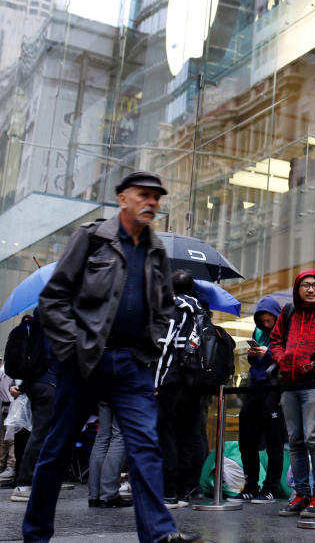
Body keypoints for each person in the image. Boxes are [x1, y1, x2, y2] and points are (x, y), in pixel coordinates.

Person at [26, 171, 200, 543]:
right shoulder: (91, 239)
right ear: (123, 199)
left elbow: (161, 306)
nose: (151, 202)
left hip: (132, 365)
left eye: (156, 196)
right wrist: (72, 348)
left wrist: (150, 346)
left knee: (145, 447)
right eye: (143, 195)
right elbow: (54, 299)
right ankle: (36, 534)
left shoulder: (154, 250)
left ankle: (158, 534)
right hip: (85, 361)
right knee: (56, 449)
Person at [269, 269, 315, 517]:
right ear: (297, 288)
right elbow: (275, 340)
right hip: (290, 385)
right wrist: (283, 360)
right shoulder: (289, 312)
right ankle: (301, 494)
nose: (310, 289)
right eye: (305, 284)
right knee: (295, 440)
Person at [155, 270, 207, 508]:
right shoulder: (201, 311)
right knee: (188, 437)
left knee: (167, 436)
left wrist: (156, 382)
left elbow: (166, 347)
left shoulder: (174, 308)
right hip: (194, 384)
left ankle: (168, 492)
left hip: (173, 381)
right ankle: (185, 490)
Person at [232, 295, 285, 505]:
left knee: (274, 441)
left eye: (268, 320)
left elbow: (285, 356)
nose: (265, 324)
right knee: (246, 439)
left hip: (274, 389)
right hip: (255, 388)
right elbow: (254, 362)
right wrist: (255, 353)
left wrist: (268, 353)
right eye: (261, 320)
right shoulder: (259, 331)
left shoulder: (284, 331)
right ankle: (251, 485)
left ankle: (270, 488)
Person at [9, 312, 57, 504]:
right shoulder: (48, 331)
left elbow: (33, 363)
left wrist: (23, 386)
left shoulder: (33, 328)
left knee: (40, 434)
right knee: (41, 434)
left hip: (37, 386)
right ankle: (25, 483)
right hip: (49, 386)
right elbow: (46, 360)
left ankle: (33, 481)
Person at [87, 402, 129, 508]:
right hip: (121, 388)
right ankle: (108, 494)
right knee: (119, 435)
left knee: (102, 436)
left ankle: (94, 495)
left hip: (100, 388)